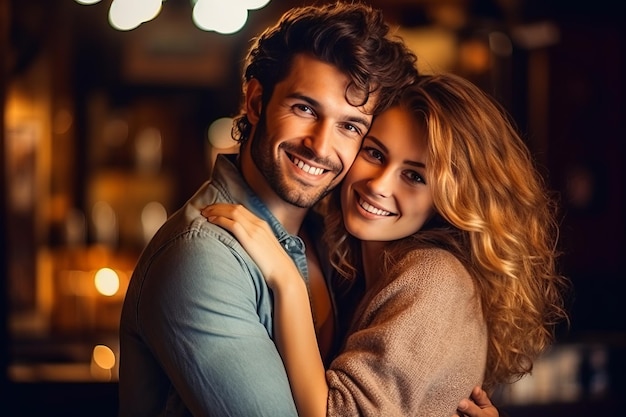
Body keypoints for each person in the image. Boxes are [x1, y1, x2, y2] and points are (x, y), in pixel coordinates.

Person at [118, 1, 499, 416]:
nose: (319, 145)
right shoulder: (205, 258)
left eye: (350, 126)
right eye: (305, 109)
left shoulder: (338, 242)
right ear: (257, 102)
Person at [202, 73, 570, 416]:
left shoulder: (433, 279)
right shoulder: (355, 266)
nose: (379, 185)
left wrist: (286, 281)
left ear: (449, 198)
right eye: (375, 153)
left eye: (414, 175)